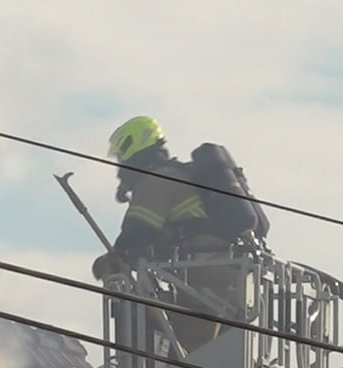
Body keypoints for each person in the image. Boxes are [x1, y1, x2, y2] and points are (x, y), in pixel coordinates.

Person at [92, 116, 242, 353]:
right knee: (217, 359)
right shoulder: (180, 175)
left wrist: (111, 260)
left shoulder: (158, 180)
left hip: (206, 279)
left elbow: (136, 232)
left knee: (190, 358)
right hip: (231, 279)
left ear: (131, 147)